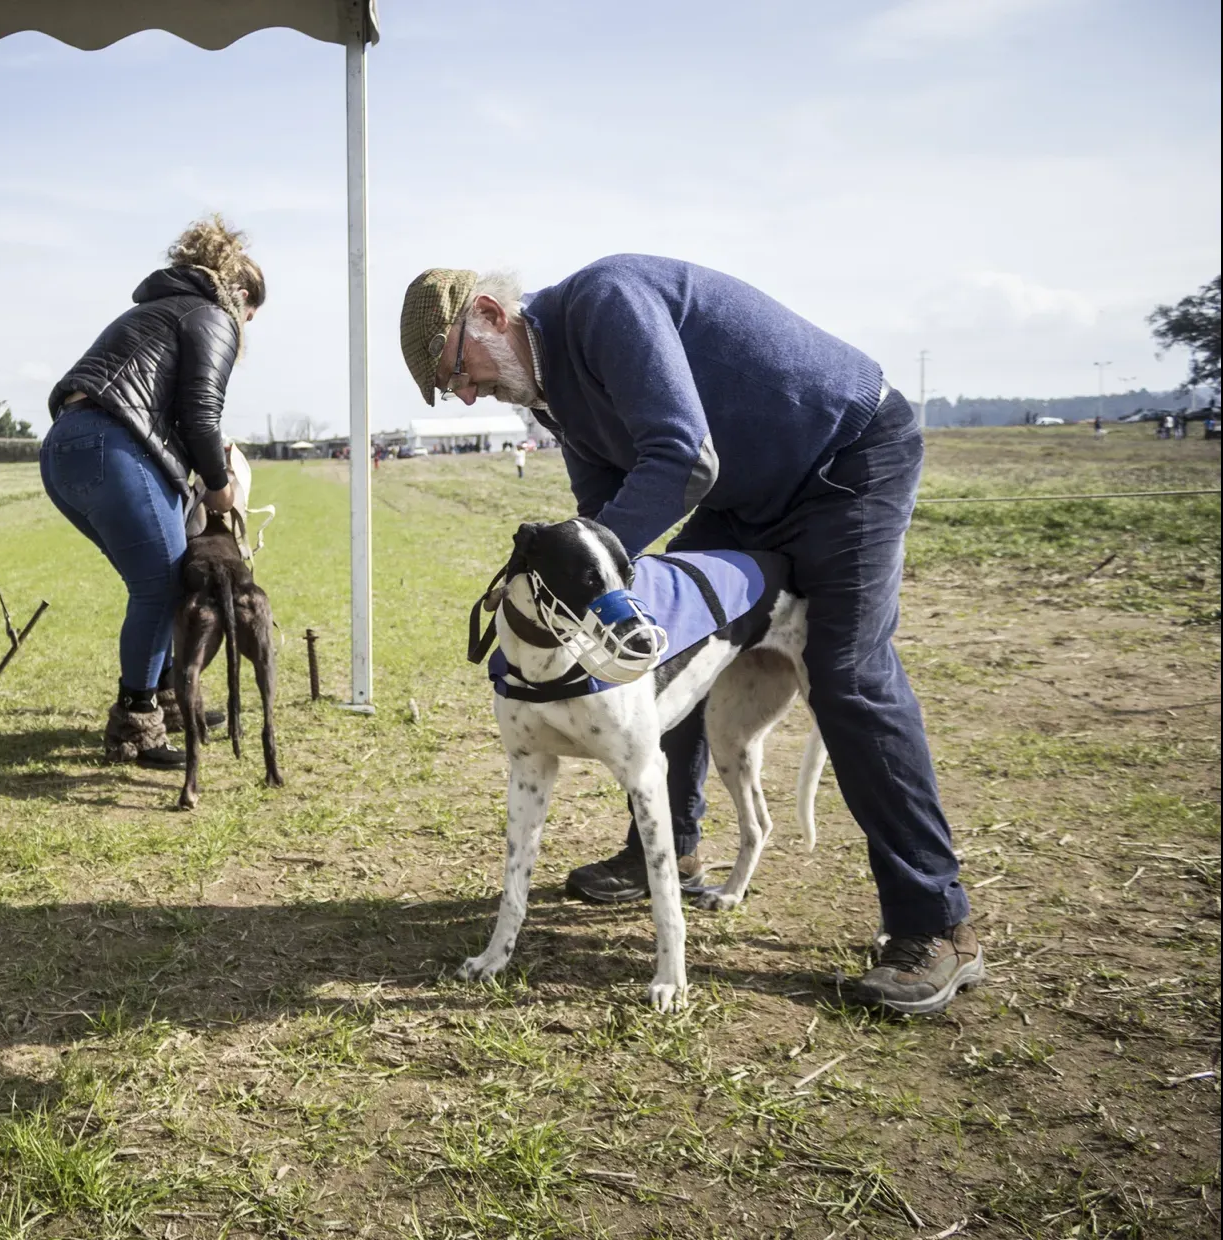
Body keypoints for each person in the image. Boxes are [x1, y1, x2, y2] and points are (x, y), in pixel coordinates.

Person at [400, 257, 983, 1016]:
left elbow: (681, 455)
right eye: (453, 390)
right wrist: (595, 596)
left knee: (847, 675)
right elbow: (605, 507)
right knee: (663, 638)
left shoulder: (606, 304)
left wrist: (584, 572)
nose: (469, 393)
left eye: (458, 370)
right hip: (739, 498)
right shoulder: (550, 392)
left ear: (488, 314)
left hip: (845, 460)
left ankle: (935, 923)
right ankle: (666, 849)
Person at [44, 217, 263, 767]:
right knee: (162, 587)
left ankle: (168, 696)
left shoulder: (154, 310)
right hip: (115, 447)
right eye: (251, 315)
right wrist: (220, 486)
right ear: (240, 295)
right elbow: (201, 412)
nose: (247, 327)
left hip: (64, 447)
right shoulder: (213, 314)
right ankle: (136, 723)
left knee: (155, 581)